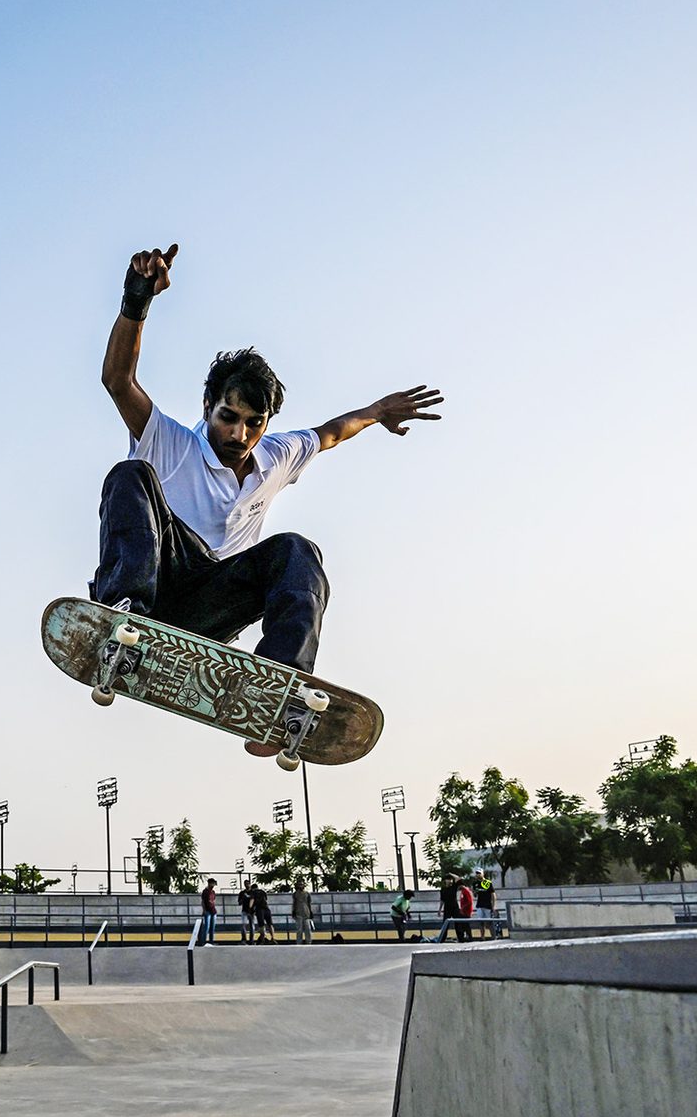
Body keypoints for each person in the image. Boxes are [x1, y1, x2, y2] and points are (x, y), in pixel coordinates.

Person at [95, 243, 445, 757]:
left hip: (213, 606)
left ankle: (281, 684)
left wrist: (375, 411)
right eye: (227, 418)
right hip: (159, 579)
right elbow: (117, 380)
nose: (238, 434)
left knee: (297, 550)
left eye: (252, 424)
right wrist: (136, 297)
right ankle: (122, 617)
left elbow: (329, 434)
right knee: (130, 475)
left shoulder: (277, 455)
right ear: (208, 408)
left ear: (266, 424)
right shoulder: (172, 442)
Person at [432, 876, 460, 944]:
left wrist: (451, 874)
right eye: (448, 879)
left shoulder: (454, 887)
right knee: (445, 923)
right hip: (447, 907)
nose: (450, 881)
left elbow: (458, 878)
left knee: (458, 923)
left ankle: (460, 938)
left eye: (451, 880)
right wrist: (439, 909)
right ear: (445, 881)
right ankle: (442, 938)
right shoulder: (443, 889)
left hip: (455, 907)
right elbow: (442, 900)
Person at [473, 870, 495, 936]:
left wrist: (493, 906)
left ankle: (493, 936)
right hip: (479, 905)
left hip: (487, 905)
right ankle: (482, 936)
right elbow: (475, 895)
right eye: (477, 873)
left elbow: (493, 895)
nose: (478, 875)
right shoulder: (475, 883)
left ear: (483, 874)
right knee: (480, 922)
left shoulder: (488, 882)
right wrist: (474, 892)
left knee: (489, 922)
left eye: (479, 873)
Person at [199, 878, 218, 945]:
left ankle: (211, 941)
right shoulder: (205, 891)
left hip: (213, 911)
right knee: (207, 927)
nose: (213, 885)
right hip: (207, 911)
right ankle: (203, 941)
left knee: (212, 928)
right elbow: (203, 901)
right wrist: (204, 910)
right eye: (212, 883)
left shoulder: (213, 892)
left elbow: (213, 901)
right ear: (209, 883)